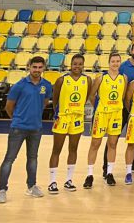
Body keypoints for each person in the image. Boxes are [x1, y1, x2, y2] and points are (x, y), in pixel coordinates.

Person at [0, 56, 52, 204]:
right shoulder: (19, 86)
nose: (37, 70)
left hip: (36, 129)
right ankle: (2, 190)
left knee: (33, 159)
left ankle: (31, 186)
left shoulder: (46, 85)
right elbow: (9, 107)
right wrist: (17, 119)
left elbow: (44, 103)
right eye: (35, 67)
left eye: (40, 67)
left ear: (43, 68)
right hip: (18, 128)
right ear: (29, 67)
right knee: (9, 159)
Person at [48, 54, 91, 194]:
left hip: (77, 118)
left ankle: (69, 180)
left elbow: (86, 97)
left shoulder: (87, 80)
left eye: (80, 64)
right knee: (57, 149)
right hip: (63, 117)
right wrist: (58, 113)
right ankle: (52, 181)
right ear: (70, 65)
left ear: (83, 65)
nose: (77, 66)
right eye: (75, 64)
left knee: (73, 149)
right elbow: (55, 99)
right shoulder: (61, 80)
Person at [84, 52, 126, 189]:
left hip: (116, 114)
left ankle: (109, 173)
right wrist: (98, 108)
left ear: (120, 63)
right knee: (95, 143)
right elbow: (91, 95)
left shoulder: (123, 78)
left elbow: (123, 96)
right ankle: (89, 175)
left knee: (113, 144)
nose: (115, 63)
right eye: (113, 61)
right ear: (109, 62)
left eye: (118, 61)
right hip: (102, 114)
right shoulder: (101, 78)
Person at [104, 42, 134, 177]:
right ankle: (106, 168)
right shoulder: (123, 67)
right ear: (131, 50)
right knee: (112, 138)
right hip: (122, 107)